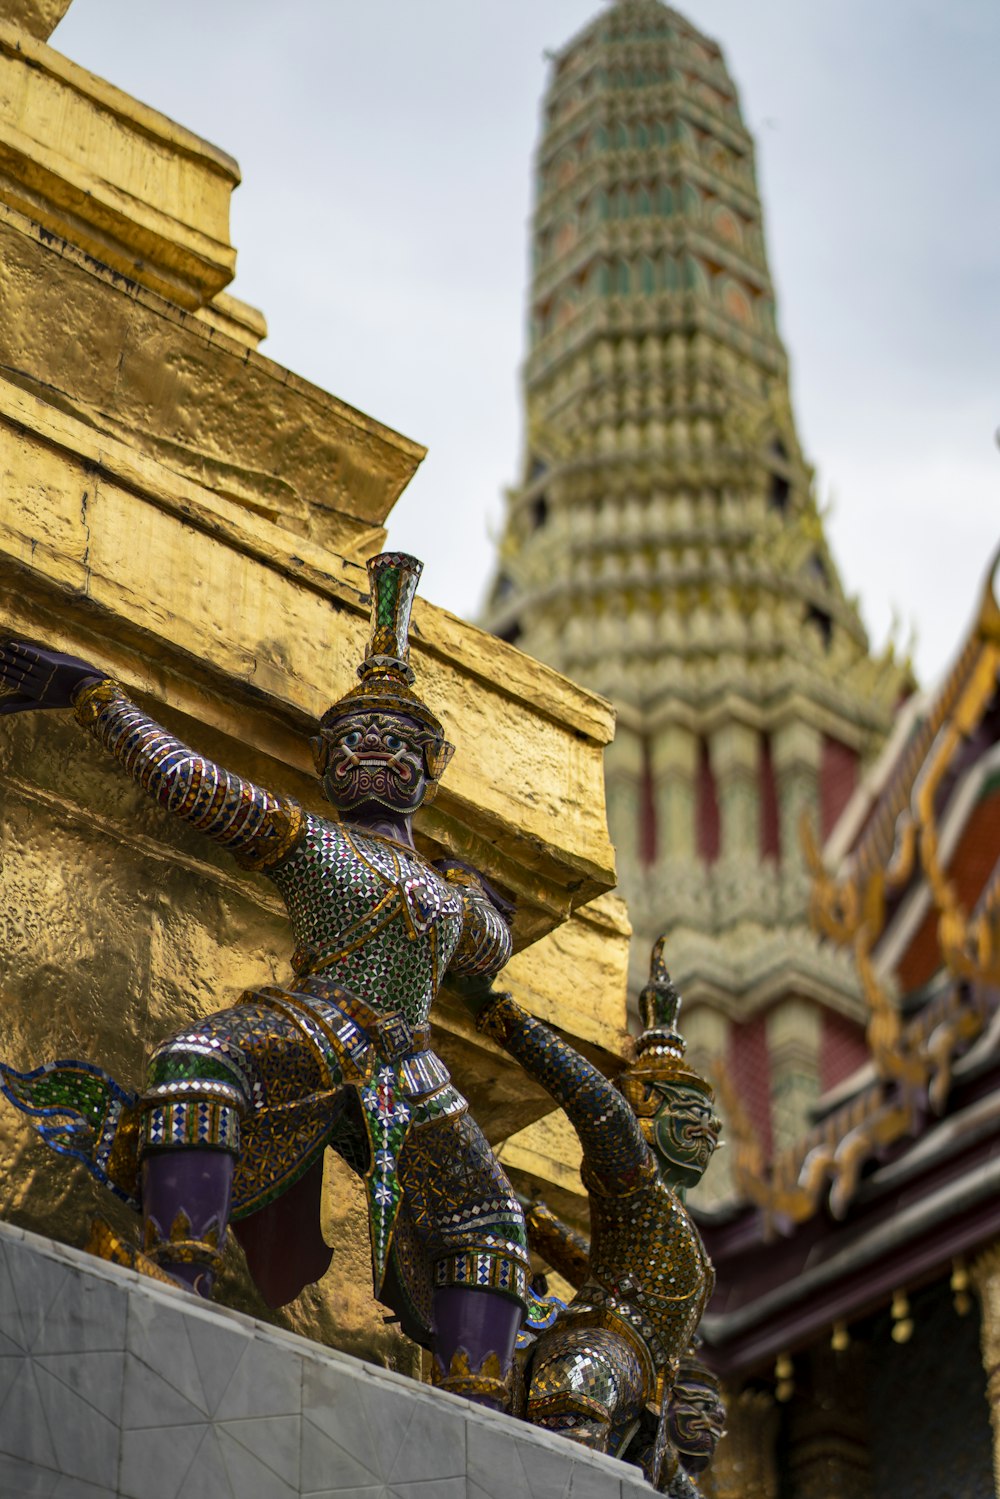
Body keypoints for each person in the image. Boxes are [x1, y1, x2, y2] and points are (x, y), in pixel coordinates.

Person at [0, 552, 528, 1406]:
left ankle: (480, 1394)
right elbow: (188, 782)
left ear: (429, 772)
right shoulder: (314, 839)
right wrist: (98, 699)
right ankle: (181, 1271)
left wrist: (481, 890)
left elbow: (491, 948)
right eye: (353, 740)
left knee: (493, 1218)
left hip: (413, 1059)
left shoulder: (450, 897)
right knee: (198, 1060)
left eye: (396, 744)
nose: (372, 753)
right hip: (322, 1018)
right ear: (326, 763)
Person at [457, 938, 719, 1473]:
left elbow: (617, 1272)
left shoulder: (664, 1215)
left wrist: (542, 1222)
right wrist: (494, 1009)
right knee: (566, 1459)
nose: (710, 1127)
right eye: (691, 1110)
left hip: (646, 1386)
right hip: (597, 1360)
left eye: (712, 1117)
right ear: (647, 1117)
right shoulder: (632, 1179)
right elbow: (589, 1097)